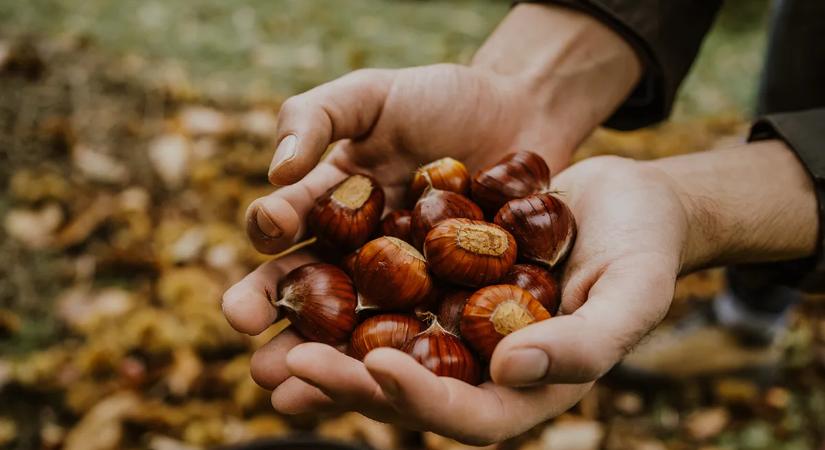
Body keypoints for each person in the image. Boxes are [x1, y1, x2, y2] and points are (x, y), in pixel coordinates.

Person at [221, 1, 825, 444]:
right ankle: (749, 314)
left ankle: (747, 323)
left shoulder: (456, 247)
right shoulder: (455, 244)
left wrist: (687, 206)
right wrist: (524, 87)